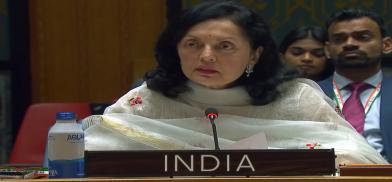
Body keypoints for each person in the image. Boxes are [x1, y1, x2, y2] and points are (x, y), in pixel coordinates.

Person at [83, 1, 386, 165]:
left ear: (254, 54)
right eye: (192, 44)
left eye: (224, 46)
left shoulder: (295, 99)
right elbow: (94, 156)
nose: (206, 56)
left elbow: (356, 159)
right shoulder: (147, 100)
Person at [318, 8, 392, 162]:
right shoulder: (307, 94)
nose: (349, 44)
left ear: (386, 45)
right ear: (327, 50)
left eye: (363, 37)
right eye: (339, 39)